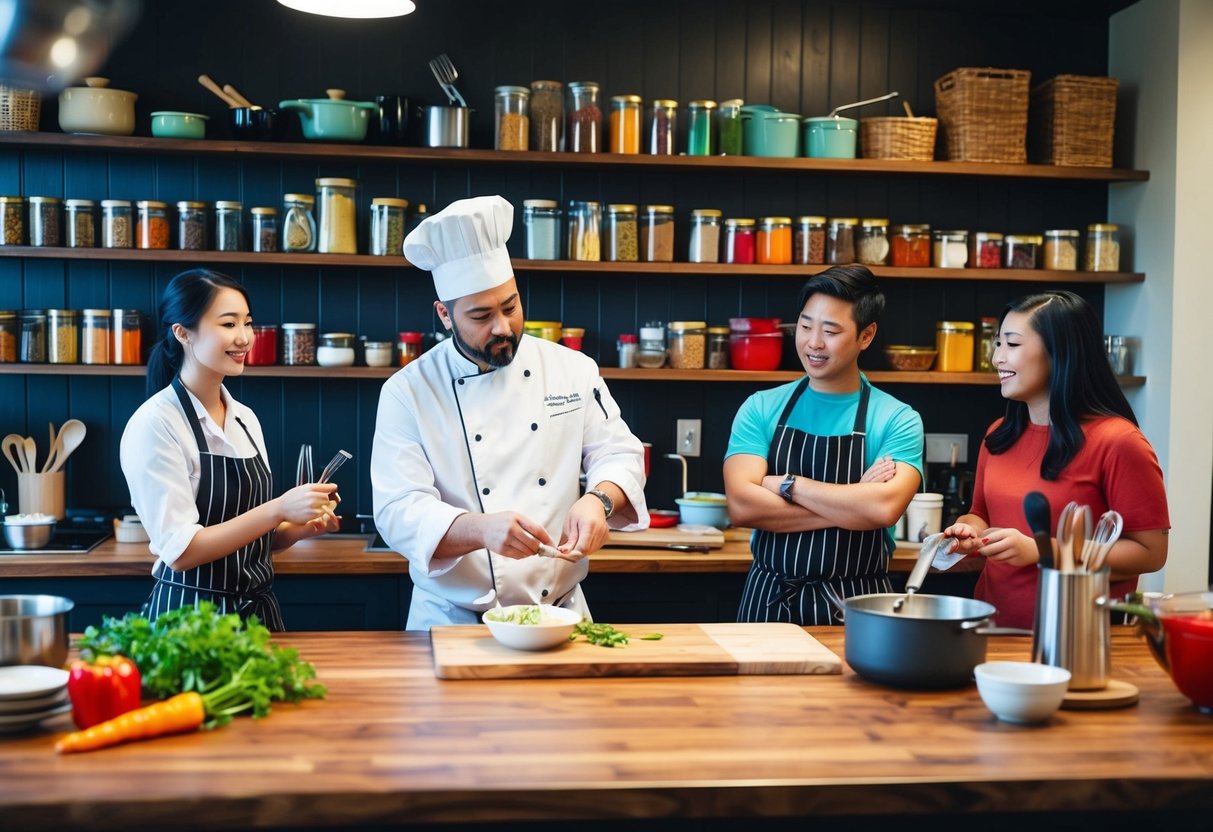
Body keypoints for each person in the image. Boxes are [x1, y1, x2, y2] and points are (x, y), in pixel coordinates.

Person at [372, 195, 648, 629]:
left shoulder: (572, 369)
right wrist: (480, 529)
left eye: (510, 306)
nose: (502, 327)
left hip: (559, 615)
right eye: (481, 315)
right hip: (450, 621)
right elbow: (398, 510)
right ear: (444, 314)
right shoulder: (408, 391)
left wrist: (598, 501)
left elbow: (618, 453)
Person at [120, 269, 340, 631]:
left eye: (248, 323)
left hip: (257, 618)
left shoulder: (245, 419)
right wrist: (279, 508)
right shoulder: (155, 424)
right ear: (183, 333)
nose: (244, 338)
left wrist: (300, 528)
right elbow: (181, 552)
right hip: (189, 624)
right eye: (228, 324)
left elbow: (255, 539)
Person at [942, 291, 1168, 628]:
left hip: (1078, 639)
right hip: (992, 628)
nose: (997, 359)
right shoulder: (998, 434)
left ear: (1059, 353)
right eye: (998, 344)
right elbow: (981, 514)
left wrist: (1043, 551)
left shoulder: (1119, 442)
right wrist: (967, 531)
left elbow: (1150, 553)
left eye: (1012, 345)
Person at [723, 265, 925, 625]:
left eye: (830, 331)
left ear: (866, 336)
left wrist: (784, 484)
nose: (813, 342)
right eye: (804, 326)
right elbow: (741, 506)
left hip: (858, 608)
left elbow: (881, 511)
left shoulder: (898, 419)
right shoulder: (761, 406)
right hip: (768, 600)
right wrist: (853, 500)